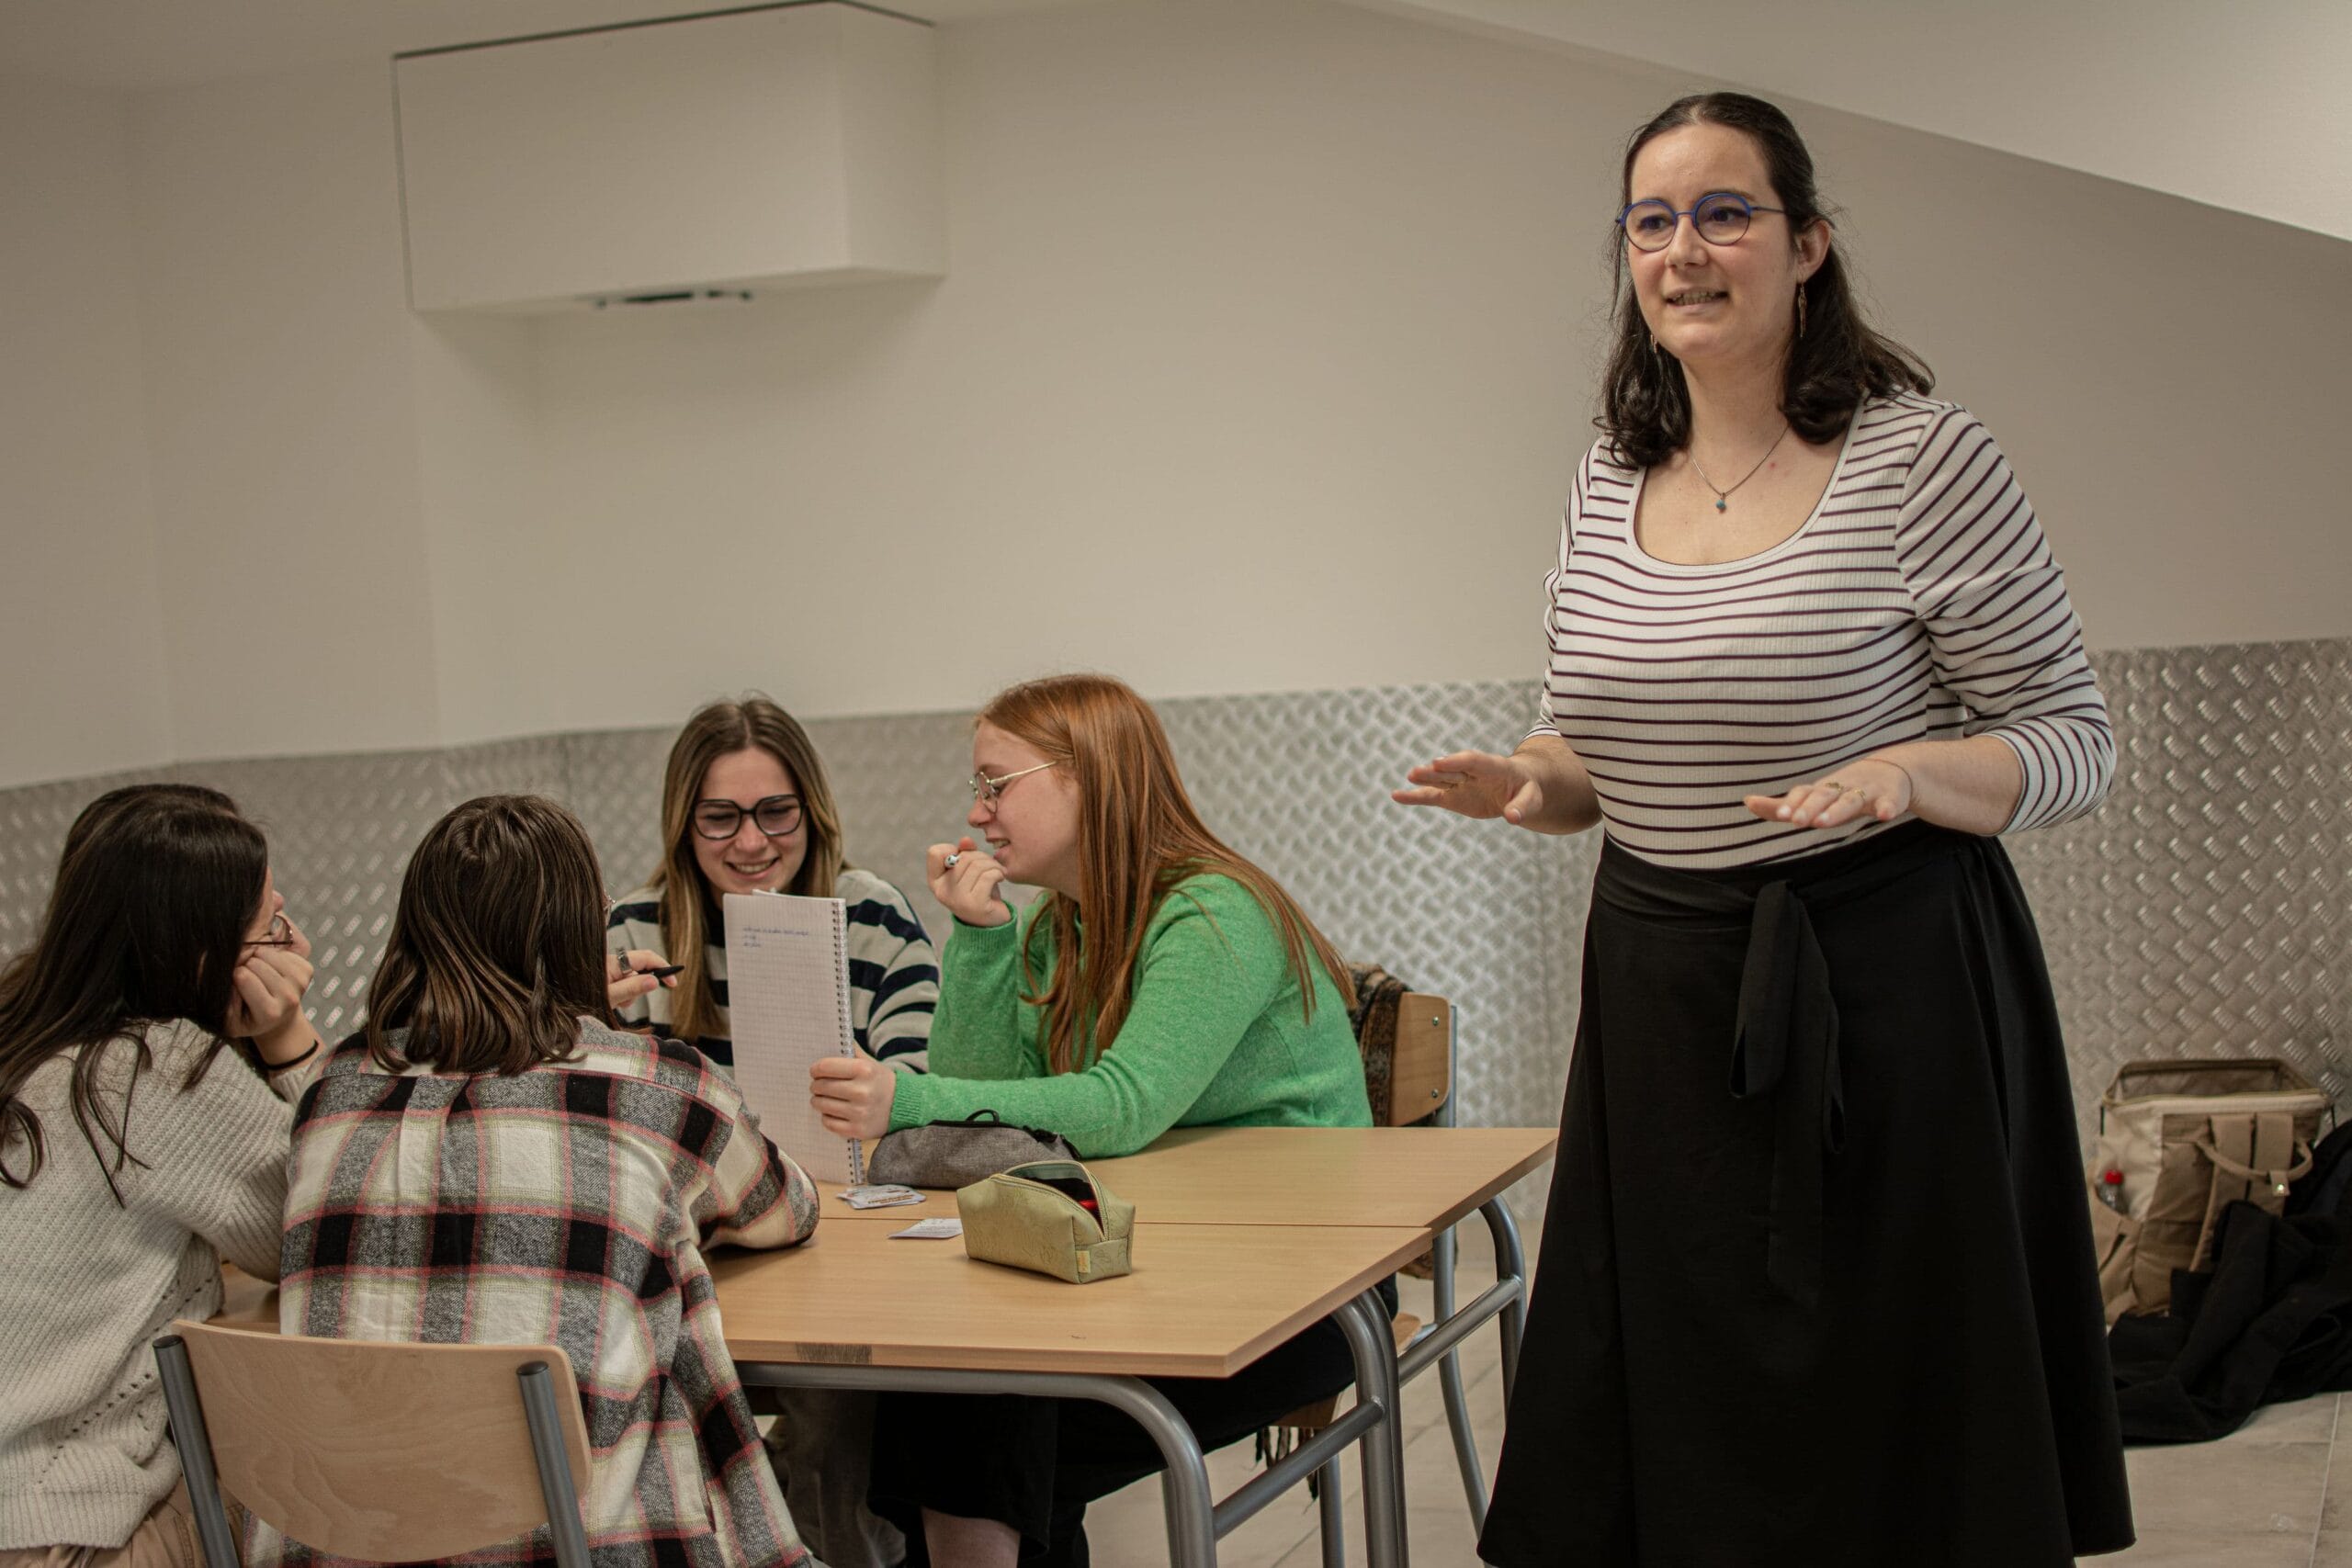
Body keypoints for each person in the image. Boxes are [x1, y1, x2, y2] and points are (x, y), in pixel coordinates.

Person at [1394, 92, 2133, 1565]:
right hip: (1664, 990)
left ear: (1809, 246)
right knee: (1685, 1394)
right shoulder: (1614, 471)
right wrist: (1535, 785)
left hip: (1888, 984)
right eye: (1653, 220)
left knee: (1891, 1405)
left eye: (1726, 212)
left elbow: (2076, 737)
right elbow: (1592, 747)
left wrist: (1912, 774)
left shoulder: (1924, 457)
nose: (1686, 249)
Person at [807, 672, 1374, 1568]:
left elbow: (1121, 1105)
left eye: (997, 784)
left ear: (1088, 776)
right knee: (958, 1405)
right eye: (977, 789)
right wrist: (984, 935)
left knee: (980, 1433)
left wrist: (902, 1099)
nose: (980, 813)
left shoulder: (1213, 915)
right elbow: (983, 1120)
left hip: (1294, 1297)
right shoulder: (1050, 929)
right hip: (1147, 1267)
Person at [252, 795, 819, 1568]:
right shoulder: (656, 1085)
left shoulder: (333, 1087)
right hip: (572, 1546)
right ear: (582, 931)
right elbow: (786, 1207)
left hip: (341, 1548)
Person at [605, 694, 937, 1568]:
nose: (751, 842)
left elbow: (927, 1078)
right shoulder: (636, 927)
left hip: (840, 1232)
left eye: (774, 812)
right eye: (720, 817)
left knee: (835, 1396)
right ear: (685, 822)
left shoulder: (867, 910)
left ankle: (838, 1542)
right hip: (696, 1244)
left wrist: (886, 1088)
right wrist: (588, 1025)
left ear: (811, 811)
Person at [0, 784, 322, 1568]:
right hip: (60, 1524)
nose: (290, 941)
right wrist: (287, 1036)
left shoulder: (24, 1026)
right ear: (207, 953)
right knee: (314, 1478)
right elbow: (325, 1223)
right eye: (270, 928)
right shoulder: (157, 1069)